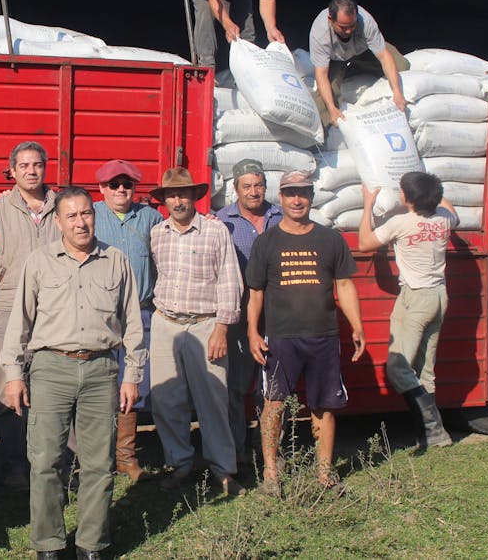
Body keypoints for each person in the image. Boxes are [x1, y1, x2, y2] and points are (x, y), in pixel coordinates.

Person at [1, 186, 144, 560]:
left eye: (86, 214)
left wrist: (132, 375)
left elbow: (132, 324)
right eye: (72, 216)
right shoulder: (39, 262)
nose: (81, 222)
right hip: (51, 368)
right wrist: (14, 373)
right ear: (59, 222)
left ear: (94, 216)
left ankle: (92, 543)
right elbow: (20, 321)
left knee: (100, 463)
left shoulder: (116, 261)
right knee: (46, 460)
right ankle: (49, 543)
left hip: (101, 370)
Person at [245, 170, 366, 495]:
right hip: (281, 338)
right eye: (290, 193)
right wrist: (254, 333)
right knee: (274, 404)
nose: (297, 199)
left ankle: (325, 475)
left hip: (323, 337)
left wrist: (357, 325)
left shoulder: (330, 240)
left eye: (303, 193)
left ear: (311, 197)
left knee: (323, 406)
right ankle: (271, 474)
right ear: (280, 198)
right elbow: (255, 292)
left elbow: (344, 284)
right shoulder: (266, 242)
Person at [147, 167, 245, 496]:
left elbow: (231, 280)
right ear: (164, 200)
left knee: (213, 399)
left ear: (194, 197)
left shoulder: (215, 231)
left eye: (184, 194)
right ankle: (180, 463)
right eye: (172, 195)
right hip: (166, 323)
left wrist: (221, 329)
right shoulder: (157, 233)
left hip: (205, 324)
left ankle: (224, 469)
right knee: (166, 399)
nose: (178, 200)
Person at [0, 141, 60, 489]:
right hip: (9, 309)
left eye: (36, 164)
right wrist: (6, 278)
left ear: (44, 168)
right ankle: (15, 465)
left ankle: (53, 464)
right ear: (12, 170)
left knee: (53, 386)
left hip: (55, 310)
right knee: (11, 386)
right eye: (23, 165)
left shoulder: (61, 207)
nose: (31, 171)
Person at [358, 172, 457, 448]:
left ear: (406, 198)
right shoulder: (444, 220)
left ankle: (433, 430)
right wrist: (432, 191)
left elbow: (365, 242)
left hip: (415, 300)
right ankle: (432, 435)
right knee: (425, 369)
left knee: (398, 366)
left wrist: (368, 204)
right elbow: (451, 210)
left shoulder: (400, 222)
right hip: (439, 296)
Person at [92, 159, 163, 483]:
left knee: (131, 385)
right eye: (114, 184)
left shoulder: (150, 218)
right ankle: (96, 457)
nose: (121, 189)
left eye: (127, 184)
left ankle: (125, 455)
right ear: (102, 188)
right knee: (96, 384)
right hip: (97, 317)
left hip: (139, 313)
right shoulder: (89, 216)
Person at [215, 158, 282, 465]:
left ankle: (266, 447)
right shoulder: (221, 221)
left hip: (278, 314)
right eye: (247, 186)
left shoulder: (281, 216)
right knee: (236, 386)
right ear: (235, 189)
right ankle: (237, 450)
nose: (254, 192)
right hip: (239, 316)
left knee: (273, 385)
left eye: (258, 185)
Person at [309, 0, 411, 126]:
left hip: (363, 51)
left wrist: (397, 93)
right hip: (335, 60)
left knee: (402, 66)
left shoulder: (366, 21)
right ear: (330, 19)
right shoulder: (320, 32)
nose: (348, 31)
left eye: (352, 26)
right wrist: (332, 109)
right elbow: (321, 74)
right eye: (343, 27)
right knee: (326, 100)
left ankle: (356, 68)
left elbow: (384, 56)